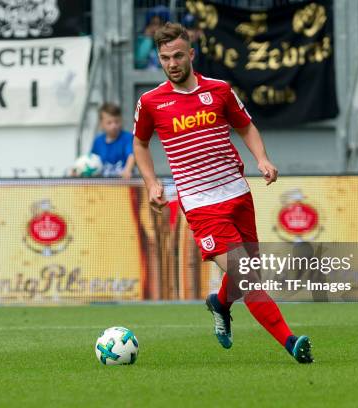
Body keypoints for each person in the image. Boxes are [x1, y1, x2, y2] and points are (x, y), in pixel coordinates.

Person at [132, 22, 313, 363]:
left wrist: (262, 159)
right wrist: (152, 183)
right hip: (201, 205)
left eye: (178, 56)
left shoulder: (219, 90)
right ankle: (291, 343)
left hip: (237, 193)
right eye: (165, 57)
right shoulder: (151, 102)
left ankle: (220, 302)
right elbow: (140, 144)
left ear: (191, 55)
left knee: (247, 274)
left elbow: (245, 126)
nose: (172, 63)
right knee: (247, 276)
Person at [91, 103, 136, 179]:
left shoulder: (127, 138)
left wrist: (127, 170)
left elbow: (132, 155)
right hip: (104, 185)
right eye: (109, 123)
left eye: (116, 122)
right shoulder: (98, 141)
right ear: (101, 124)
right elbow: (92, 160)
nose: (114, 126)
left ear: (121, 120)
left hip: (124, 183)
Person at [135, 5, 170, 70]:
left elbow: (165, 64)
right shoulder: (142, 40)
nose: (155, 29)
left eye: (160, 24)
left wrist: (160, 41)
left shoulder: (171, 42)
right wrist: (147, 39)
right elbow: (139, 63)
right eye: (153, 24)